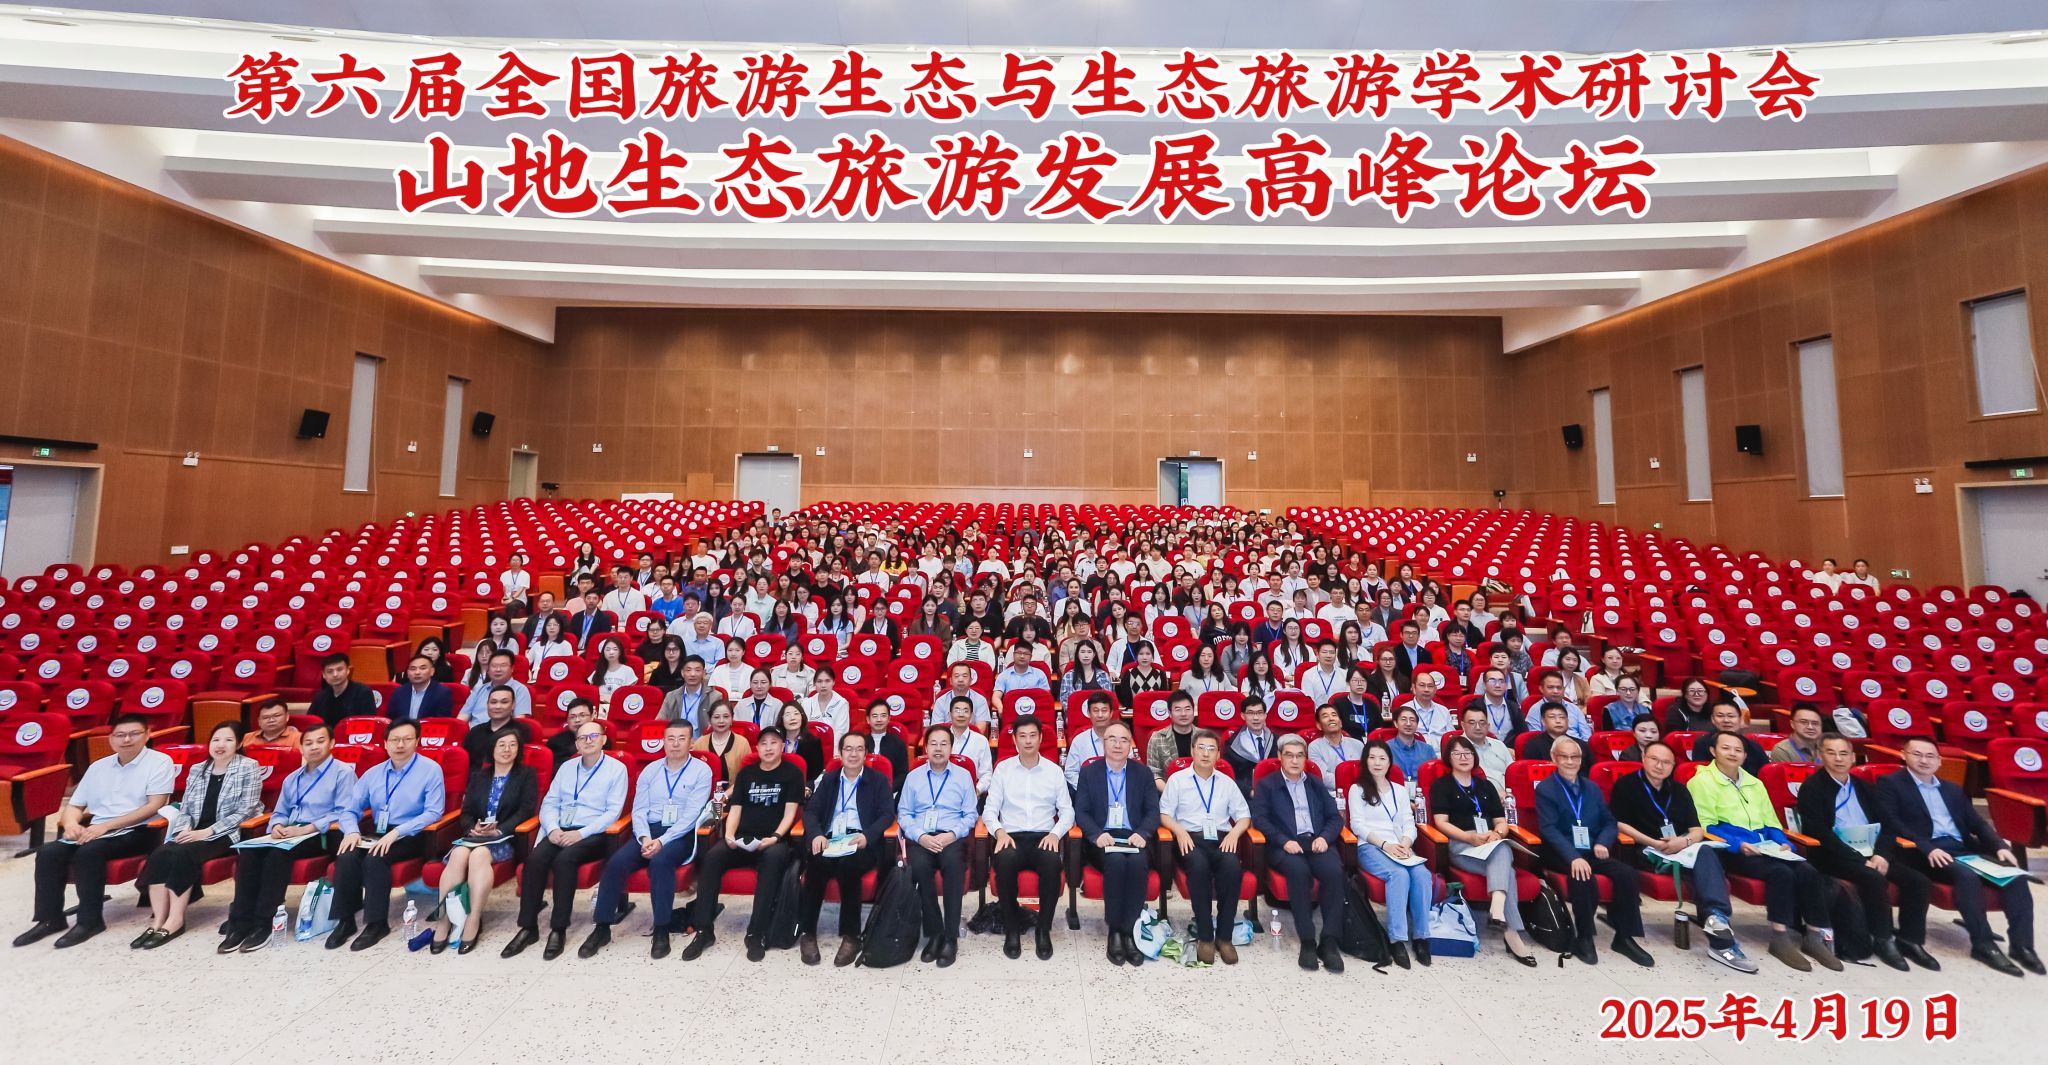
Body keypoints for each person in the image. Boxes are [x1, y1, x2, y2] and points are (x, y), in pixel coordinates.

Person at [1874, 737, 2041, 976]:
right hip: (1921, 851)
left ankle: (2022, 946)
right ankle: (1983, 945)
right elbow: (1891, 822)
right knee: (1966, 877)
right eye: (1917, 754)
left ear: (1939, 761)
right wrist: (1927, 847)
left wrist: (1999, 846)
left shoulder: (1951, 789)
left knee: (2015, 878)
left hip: (1962, 849)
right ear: (1904, 755)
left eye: (1930, 756)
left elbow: (1976, 823)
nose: (1924, 760)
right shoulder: (1890, 783)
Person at [17, 714, 176, 948]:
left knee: (89, 852)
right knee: (48, 852)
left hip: (139, 830)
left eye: (134, 734)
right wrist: (71, 824)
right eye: (120, 735)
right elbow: (74, 806)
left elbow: (154, 805)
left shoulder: (160, 762)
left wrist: (106, 826)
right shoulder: (98, 767)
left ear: (147, 735)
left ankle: (90, 921)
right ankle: (50, 919)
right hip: (97, 831)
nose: (126, 740)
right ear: (111, 739)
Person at [1687, 731, 1841, 972]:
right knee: (1781, 872)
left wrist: (1784, 843)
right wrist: (1738, 844)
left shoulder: (1755, 783)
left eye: (1738, 750)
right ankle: (1780, 937)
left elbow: (1771, 823)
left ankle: (1814, 936)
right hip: (1730, 849)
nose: (1732, 753)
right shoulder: (1701, 781)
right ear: (1713, 751)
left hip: (1765, 846)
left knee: (1808, 871)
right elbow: (1706, 825)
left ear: (1745, 755)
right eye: (1726, 748)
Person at [1608, 741, 1757, 973]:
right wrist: (1655, 843)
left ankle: (1716, 920)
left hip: (1682, 849)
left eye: (1666, 762)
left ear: (1673, 765)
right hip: (1648, 850)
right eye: (1654, 759)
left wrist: (1684, 842)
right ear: (1644, 758)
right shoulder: (1627, 785)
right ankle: (1721, 937)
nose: (1660, 766)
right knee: (1706, 870)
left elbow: (1696, 830)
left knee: (1706, 851)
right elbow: (1619, 824)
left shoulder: (1679, 790)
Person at [582, 720, 714, 959]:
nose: (675, 744)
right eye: (670, 739)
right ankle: (601, 928)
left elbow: (692, 815)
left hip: (680, 833)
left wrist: (662, 841)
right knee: (615, 864)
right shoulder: (650, 771)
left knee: (660, 862)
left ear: (691, 743)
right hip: (648, 831)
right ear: (663, 742)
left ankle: (661, 928)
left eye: (681, 739)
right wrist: (644, 837)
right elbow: (639, 810)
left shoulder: (702, 771)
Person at [218, 723, 353, 953]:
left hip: (319, 834)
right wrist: (277, 826)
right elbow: (280, 811)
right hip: (288, 833)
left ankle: (264, 924)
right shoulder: (293, 778)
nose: (314, 747)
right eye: (308, 743)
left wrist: (306, 829)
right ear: (301, 747)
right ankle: (240, 923)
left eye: (320, 741)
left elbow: (343, 811)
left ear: (331, 743)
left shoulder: (343, 773)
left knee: (276, 855)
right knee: (249, 852)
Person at [1796, 735, 1926, 972]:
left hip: (1871, 852)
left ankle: (1910, 939)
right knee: (1873, 877)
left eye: (1843, 753)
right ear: (1820, 756)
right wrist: (1859, 859)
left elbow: (1888, 825)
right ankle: (1883, 938)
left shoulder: (1865, 787)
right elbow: (1819, 833)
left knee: (1917, 880)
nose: (1838, 758)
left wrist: (1881, 854)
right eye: (1831, 752)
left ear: (1853, 758)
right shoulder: (1812, 788)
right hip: (1833, 855)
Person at [503, 721, 629, 960]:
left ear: (603, 739)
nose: (588, 741)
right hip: (561, 829)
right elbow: (550, 802)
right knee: (535, 860)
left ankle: (558, 928)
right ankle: (528, 927)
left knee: (565, 860)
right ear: (576, 744)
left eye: (593, 736)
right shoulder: (567, 768)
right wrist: (552, 828)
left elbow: (613, 813)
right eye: (582, 738)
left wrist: (580, 834)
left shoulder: (616, 769)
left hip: (593, 833)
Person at [131, 721, 263, 948]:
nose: (220, 745)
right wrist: (184, 829)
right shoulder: (197, 769)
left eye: (228, 740)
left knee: (183, 854)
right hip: (194, 830)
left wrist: (207, 832)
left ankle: (176, 920)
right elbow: (186, 809)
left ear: (239, 743)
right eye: (216, 739)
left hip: (227, 832)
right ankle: (158, 920)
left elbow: (246, 810)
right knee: (161, 853)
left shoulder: (248, 767)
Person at [683, 728, 805, 962]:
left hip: (774, 841)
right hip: (742, 838)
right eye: (764, 743)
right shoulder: (747, 773)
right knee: (712, 858)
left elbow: (790, 813)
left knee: (773, 860)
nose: (768, 748)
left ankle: (756, 932)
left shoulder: (792, 773)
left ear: (782, 747)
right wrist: (729, 836)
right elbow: (735, 809)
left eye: (774, 743)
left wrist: (775, 836)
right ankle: (704, 930)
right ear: (756, 748)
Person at [325, 720, 448, 951]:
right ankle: (345, 921)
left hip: (412, 833)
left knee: (375, 858)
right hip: (378, 832)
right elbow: (350, 809)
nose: (400, 745)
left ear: (417, 741)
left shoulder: (430, 769)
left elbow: (434, 812)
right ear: (385, 743)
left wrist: (397, 832)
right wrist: (351, 831)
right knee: (347, 856)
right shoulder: (373, 773)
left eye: (407, 739)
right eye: (395, 740)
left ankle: (376, 923)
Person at [1533, 738, 1654, 966]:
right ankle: (1585, 937)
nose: (1570, 761)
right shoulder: (1546, 789)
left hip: (1591, 849)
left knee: (1627, 874)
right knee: (1582, 875)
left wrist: (1603, 843)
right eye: (1564, 757)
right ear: (1554, 759)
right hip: (1560, 852)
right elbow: (1548, 829)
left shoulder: (1592, 788)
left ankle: (1624, 937)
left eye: (1575, 757)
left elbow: (1609, 822)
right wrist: (1573, 857)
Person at [428, 726, 539, 953]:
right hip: (475, 836)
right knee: (458, 854)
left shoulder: (527, 775)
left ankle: (473, 919)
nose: (507, 749)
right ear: (492, 749)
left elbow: (525, 810)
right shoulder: (479, 776)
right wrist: (473, 827)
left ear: (518, 749)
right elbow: (467, 811)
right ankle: (444, 919)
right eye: (502, 745)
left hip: (505, 838)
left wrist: (498, 830)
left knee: (479, 855)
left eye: (512, 745)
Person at [1430, 735, 1537, 965]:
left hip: (1490, 841)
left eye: (1467, 753)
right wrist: (1469, 837)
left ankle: (1502, 919)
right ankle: (1509, 929)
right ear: (1449, 758)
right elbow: (1441, 823)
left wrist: (1497, 833)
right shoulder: (1442, 785)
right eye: (1457, 753)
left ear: (1474, 756)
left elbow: (1501, 821)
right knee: (1506, 866)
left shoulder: (1486, 786)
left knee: (1502, 849)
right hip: (1462, 845)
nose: (1463, 757)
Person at [796, 733, 898, 966]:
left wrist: (868, 836)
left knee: (848, 866)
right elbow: (811, 812)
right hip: (830, 839)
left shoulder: (878, 780)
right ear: (840, 754)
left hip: (860, 840)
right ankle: (808, 932)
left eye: (859, 749)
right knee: (816, 864)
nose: (853, 754)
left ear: (866, 754)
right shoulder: (829, 779)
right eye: (848, 749)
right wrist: (817, 834)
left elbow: (887, 814)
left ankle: (851, 936)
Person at [1251, 734, 1346, 972]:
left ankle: (1329, 941)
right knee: (1298, 872)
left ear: (1305, 758)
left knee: (1334, 873)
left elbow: (1335, 818)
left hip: (1316, 842)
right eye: (1289, 755)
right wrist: (1283, 841)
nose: (1295, 761)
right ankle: (1307, 941)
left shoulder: (1315, 783)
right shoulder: (1267, 785)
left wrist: (1325, 837)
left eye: (1299, 756)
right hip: (1285, 845)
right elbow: (1260, 820)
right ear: (1280, 757)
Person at [1159, 729, 1251, 965]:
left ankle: (1225, 937)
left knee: (1232, 869)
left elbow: (1244, 816)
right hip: (1190, 838)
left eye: (1211, 749)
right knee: (1198, 868)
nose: (1206, 753)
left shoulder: (1227, 783)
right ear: (1192, 751)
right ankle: (1205, 936)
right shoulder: (1178, 780)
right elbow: (1165, 814)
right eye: (1201, 748)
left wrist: (1234, 833)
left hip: (1221, 838)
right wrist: (1179, 831)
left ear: (1219, 754)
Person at [986, 717, 1074, 960]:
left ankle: (1043, 930)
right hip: (1010, 836)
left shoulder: (1054, 771)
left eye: (1032, 735)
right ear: (1014, 740)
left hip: (1043, 836)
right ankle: (1012, 929)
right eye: (1022, 736)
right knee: (1004, 863)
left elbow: (1067, 811)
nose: (1028, 741)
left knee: (1051, 863)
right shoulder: (1003, 769)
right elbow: (990, 810)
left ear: (1041, 738)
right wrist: (999, 832)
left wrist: (1055, 834)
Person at [1074, 723, 1160, 966]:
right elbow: (1081, 811)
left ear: (1131, 744)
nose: (1118, 744)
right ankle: (1114, 931)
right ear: (1104, 743)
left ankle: (1129, 930)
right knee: (1115, 862)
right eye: (1112, 739)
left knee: (1137, 863)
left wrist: (1143, 832)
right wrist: (1096, 834)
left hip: (1134, 836)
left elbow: (1153, 811)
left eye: (1123, 740)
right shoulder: (1089, 772)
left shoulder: (1142, 773)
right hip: (1103, 838)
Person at [1347, 740, 1431, 968]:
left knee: (1422, 875)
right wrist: (1385, 845)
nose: (1377, 762)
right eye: (1372, 757)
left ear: (1389, 762)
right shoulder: (1357, 789)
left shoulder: (1400, 791)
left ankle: (1421, 937)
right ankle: (1397, 939)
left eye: (1382, 758)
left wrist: (1405, 843)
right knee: (1399, 875)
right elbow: (1357, 825)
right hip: (1371, 846)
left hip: (1400, 846)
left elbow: (1409, 823)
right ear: (1365, 761)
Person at [898, 726, 976, 966]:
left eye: (944, 744)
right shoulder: (914, 777)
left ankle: (950, 937)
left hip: (951, 836)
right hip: (921, 837)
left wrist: (952, 834)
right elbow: (904, 813)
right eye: (933, 743)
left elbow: (971, 815)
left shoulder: (963, 776)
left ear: (951, 748)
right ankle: (935, 933)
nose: (938, 748)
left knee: (953, 867)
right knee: (919, 868)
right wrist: (920, 836)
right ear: (925, 747)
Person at [461, 685, 531, 769]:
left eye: (504, 702)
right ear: (487, 705)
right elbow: (465, 763)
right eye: (493, 702)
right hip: (475, 776)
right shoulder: (475, 731)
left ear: (513, 705)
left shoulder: (521, 731)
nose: (498, 706)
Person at [1143, 690, 1201, 789]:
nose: (1183, 714)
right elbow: (1153, 773)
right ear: (1170, 713)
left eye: (1187, 709)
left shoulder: (1205, 737)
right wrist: (1170, 793)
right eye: (1178, 710)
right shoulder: (1157, 738)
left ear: (1193, 711)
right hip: (1168, 789)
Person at [1689, 702, 1767, 775]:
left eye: (1731, 716)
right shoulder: (1702, 744)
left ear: (1740, 719)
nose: (1726, 720)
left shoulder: (1754, 747)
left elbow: (1765, 774)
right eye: (1720, 716)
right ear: (1712, 719)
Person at [457, 650, 532, 724]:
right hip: (474, 730)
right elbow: (462, 718)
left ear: (512, 668)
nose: (498, 669)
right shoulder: (479, 689)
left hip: (503, 731)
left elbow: (518, 723)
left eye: (503, 665)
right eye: (494, 666)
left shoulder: (520, 690)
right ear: (488, 669)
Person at [308, 653, 378, 729]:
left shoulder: (363, 693)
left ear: (348, 670)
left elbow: (368, 725)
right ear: (324, 675)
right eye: (330, 671)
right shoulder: (320, 697)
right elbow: (310, 723)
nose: (335, 674)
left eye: (339, 669)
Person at [1065, 692, 1118, 788]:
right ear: (1089, 713)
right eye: (1096, 711)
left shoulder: (1121, 739)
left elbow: (1130, 768)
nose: (1100, 715)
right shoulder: (1079, 740)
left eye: (1104, 710)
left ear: (1111, 713)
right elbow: (1070, 772)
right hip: (1088, 791)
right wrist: (1087, 788)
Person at [659, 655, 729, 728]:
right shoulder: (671, 696)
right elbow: (659, 722)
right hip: (676, 734)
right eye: (688, 670)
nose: (692, 674)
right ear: (682, 673)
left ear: (704, 673)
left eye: (697, 670)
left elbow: (720, 725)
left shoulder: (715, 697)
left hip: (703, 735)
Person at [942, 695, 994, 791]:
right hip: (942, 791)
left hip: (971, 791)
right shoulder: (940, 739)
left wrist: (977, 790)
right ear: (950, 714)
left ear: (971, 716)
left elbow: (986, 774)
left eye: (966, 711)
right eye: (957, 710)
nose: (961, 715)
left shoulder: (981, 741)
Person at [1223, 697, 1276, 787]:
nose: (1256, 718)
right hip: (1246, 792)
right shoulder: (1232, 745)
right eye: (1251, 713)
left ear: (1265, 715)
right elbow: (1230, 777)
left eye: (1260, 713)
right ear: (1243, 716)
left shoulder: (1276, 741)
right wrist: (1249, 791)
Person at [1306, 704, 1362, 786]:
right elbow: (1323, 777)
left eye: (1334, 715)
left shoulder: (1358, 744)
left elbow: (1366, 771)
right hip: (1332, 792)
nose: (1331, 718)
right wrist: (1349, 784)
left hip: (1359, 789)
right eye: (1325, 716)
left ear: (1341, 723)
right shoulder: (1315, 747)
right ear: (1319, 726)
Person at [694, 702, 753, 780]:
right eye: (716, 717)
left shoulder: (742, 743)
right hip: (705, 787)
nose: (721, 721)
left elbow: (748, 775)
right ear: (710, 720)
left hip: (735, 787)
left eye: (726, 716)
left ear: (732, 719)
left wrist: (731, 788)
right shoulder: (699, 743)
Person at [859, 699, 911, 787]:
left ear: (888, 719)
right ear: (868, 719)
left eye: (883, 716)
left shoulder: (898, 744)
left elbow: (903, 775)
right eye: (875, 716)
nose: (879, 720)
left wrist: (888, 789)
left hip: (891, 789)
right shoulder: (860, 743)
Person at [1456, 705, 1515, 780]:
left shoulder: (1499, 744)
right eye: (1472, 723)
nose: (1478, 727)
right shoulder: (1457, 749)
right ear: (1463, 725)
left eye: (1482, 723)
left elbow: (1513, 772)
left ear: (1488, 726)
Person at [393, 654, 454, 720]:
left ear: (432, 671)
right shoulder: (399, 691)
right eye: (413, 669)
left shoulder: (442, 693)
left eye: (423, 668)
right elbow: (391, 718)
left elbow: (442, 721)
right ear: (407, 673)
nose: (417, 672)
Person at [1385, 705, 1439, 780]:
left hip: (1422, 786)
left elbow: (1435, 775)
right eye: (1403, 719)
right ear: (1396, 723)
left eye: (1412, 720)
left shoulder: (1427, 749)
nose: (1408, 723)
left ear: (1417, 725)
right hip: (1395, 786)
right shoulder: (1386, 748)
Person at [802, 666, 852, 741]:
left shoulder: (842, 704)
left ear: (833, 682)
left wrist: (829, 746)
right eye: (819, 681)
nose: (823, 685)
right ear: (814, 683)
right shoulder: (806, 703)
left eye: (827, 681)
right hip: (810, 743)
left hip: (834, 745)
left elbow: (841, 732)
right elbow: (804, 730)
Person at [544, 698, 597, 766]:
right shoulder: (555, 743)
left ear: (592, 716)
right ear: (567, 720)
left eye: (582, 715)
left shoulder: (601, 741)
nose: (577, 720)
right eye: (572, 717)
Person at [1406, 672, 1457, 742]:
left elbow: (1452, 736)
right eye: (1422, 685)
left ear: (1435, 689)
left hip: (1441, 748)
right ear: (1414, 688)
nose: (1426, 689)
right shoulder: (1405, 710)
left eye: (1430, 686)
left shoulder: (1443, 710)